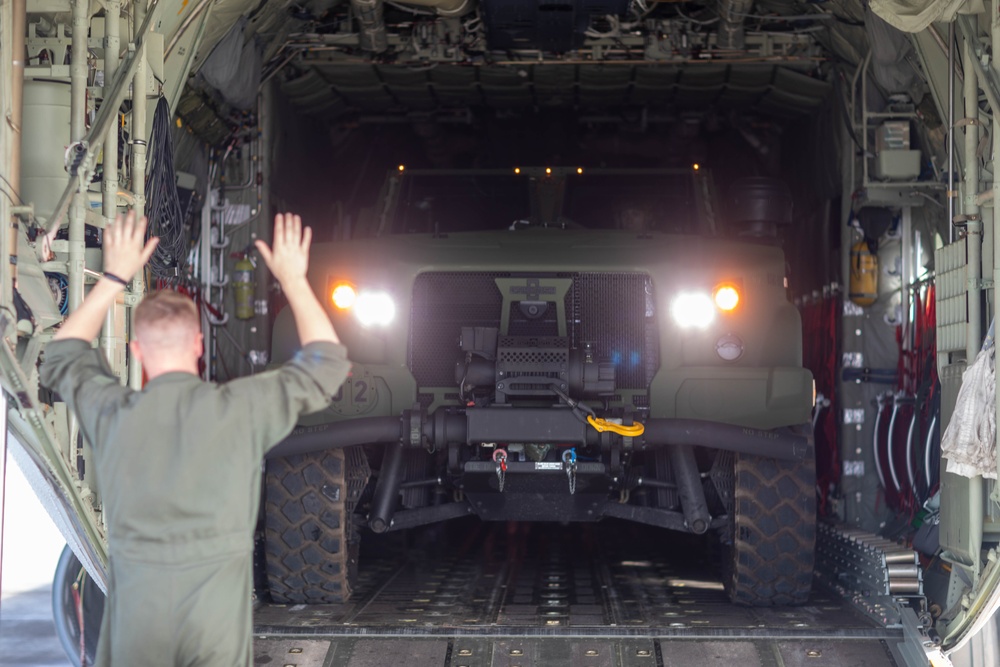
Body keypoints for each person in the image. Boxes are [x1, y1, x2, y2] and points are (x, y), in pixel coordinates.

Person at [40, 211, 349, 666]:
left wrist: (114, 276)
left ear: (137, 351)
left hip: (137, 633)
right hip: (214, 631)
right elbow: (327, 365)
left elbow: (63, 355)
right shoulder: (240, 409)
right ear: (199, 344)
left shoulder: (112, 412)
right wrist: (294, 279)